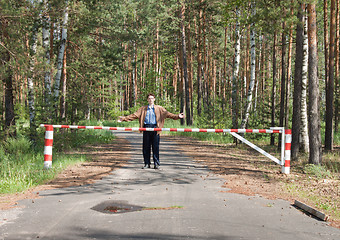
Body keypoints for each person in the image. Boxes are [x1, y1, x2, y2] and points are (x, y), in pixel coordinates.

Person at [118, 93, 184, 169]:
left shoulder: (159, 108)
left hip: (156, 128)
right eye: (149, 98)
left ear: (154, 99)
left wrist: (178, 116)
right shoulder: (143, 109)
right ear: (147, 100)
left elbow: (168, 114)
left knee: (155, 147)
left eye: (152, 98)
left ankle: (156, 164)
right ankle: (147, 163)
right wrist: (124, 118)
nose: (150, 100)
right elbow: (134, 115)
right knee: (146, 147)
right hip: (146, 128)